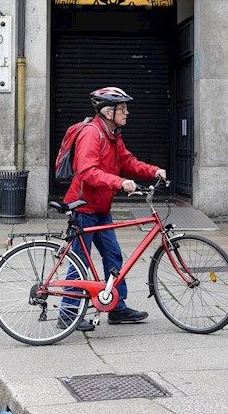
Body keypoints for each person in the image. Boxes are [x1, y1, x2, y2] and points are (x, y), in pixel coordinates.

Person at [58, 86, 167, 331]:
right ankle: (67, 314)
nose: (127, 112)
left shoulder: (113, 134)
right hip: (83, 208)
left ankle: (117, 308)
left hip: (101, 207)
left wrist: (153, 171)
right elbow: (87, 171)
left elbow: (127, 161)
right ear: (109, 112)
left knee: (113, 256)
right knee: (80, 261)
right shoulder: (92, 134)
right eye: (123, 108)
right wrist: (119, 182)